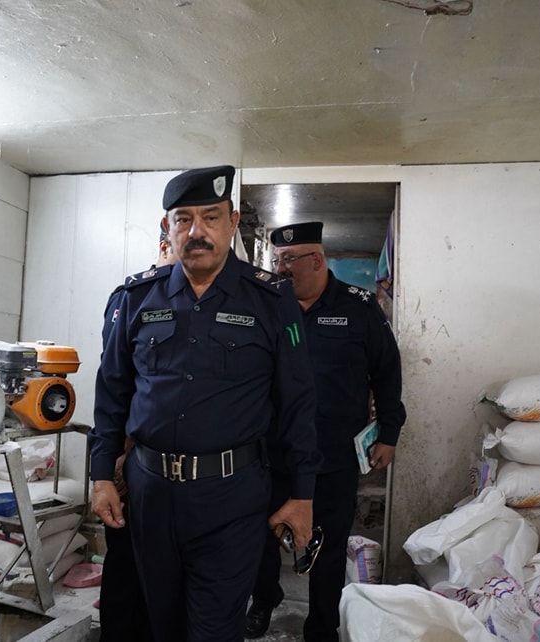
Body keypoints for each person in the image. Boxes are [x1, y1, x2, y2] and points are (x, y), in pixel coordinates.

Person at [89, 165, 321, 642]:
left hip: (231, 498)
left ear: (232, 223)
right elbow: (112, 391)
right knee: (160, 623)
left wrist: (302, 495)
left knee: (214, 629)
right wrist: (100, 476)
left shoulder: (270, 299)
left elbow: (297, 402)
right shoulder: (138, 297)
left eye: (211, 217)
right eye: (184, 219)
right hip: (150, 495)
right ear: (167, 227)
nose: (197, 231)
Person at [246, 221, 407, 641]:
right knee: (260, 536)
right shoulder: (267, 306)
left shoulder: (358, 307)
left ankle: (321, 625)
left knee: (328, 544)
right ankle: (264, 598)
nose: (280, 269)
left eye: (288, 260)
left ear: (316, 260)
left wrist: (389, 432)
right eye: (276, 260)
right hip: (272, 451)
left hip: (331, 455)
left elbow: (387, 372)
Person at [97, 219, 176, 642]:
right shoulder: (132, 298)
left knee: (162, 577)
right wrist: (116, 460)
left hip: (165, 471)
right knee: (126, 567)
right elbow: (118, 387)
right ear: (164, 247)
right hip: (132, 459)